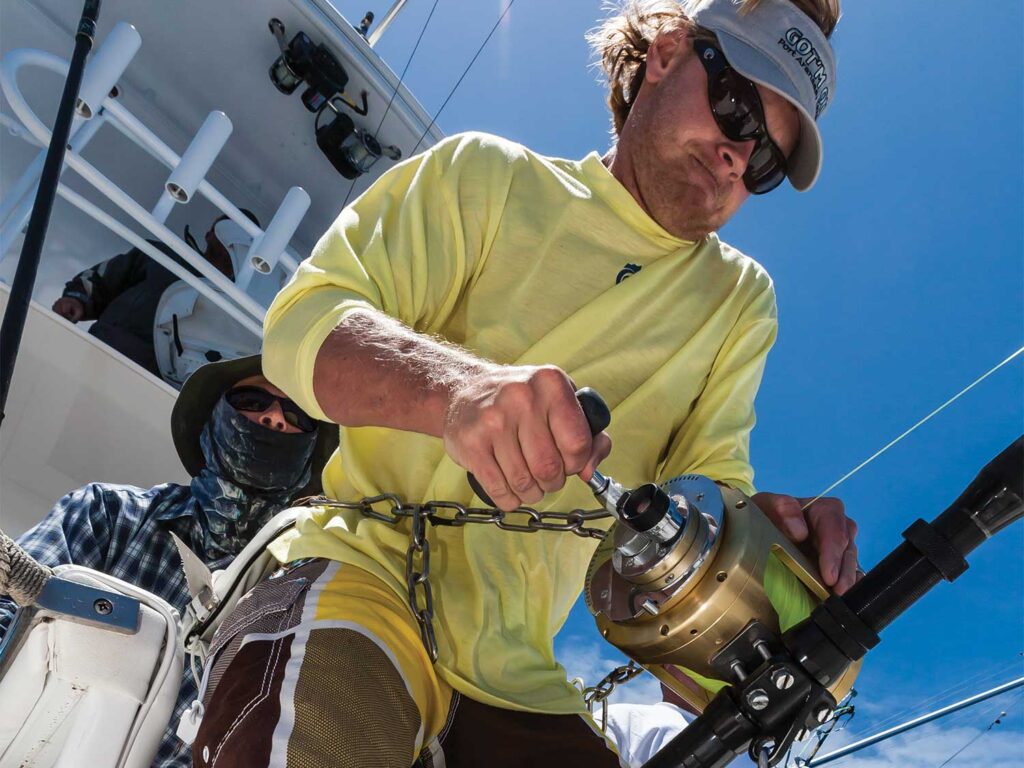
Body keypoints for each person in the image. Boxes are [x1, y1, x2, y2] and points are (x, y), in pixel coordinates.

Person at [195, 1, 859, 766]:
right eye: (738, 106)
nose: (740, 155)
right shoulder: (486, 176)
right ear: (668, 54)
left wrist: (776, 564)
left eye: (768, 161)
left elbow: (708, 497)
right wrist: (456, 390)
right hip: (359, 573)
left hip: (519, 678)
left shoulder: (739, 303)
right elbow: (303, 328)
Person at [0, 354, 337, 768]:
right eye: (251, 400)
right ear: (212, 422)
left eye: (296, 414)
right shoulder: (106, 513)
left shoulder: (300, 602)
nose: (273, 418)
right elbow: (7, 613)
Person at [51, 210, 260, 376]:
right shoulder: (163, 255)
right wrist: (77, 298)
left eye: (244, 235)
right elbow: (102, 278)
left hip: (161, 385)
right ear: (209, 233)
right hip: (103, 348)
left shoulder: (239, 310)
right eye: (227, 225)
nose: (233, 236)